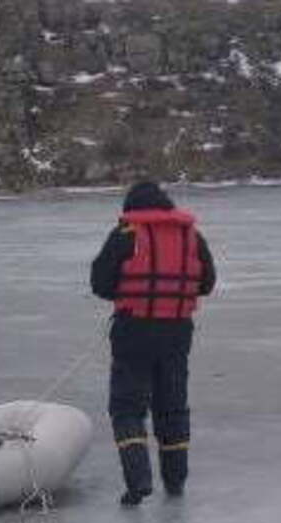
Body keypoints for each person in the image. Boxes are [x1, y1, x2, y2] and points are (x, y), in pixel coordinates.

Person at [89, 181, 216, 505]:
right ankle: (175, 482)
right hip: (177, 332)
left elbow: (100, 283)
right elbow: (207, 283)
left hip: (133, 331)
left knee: (127, 407)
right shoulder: (192, 236)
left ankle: (139, 481)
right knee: (172, 406)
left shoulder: (125, 234)